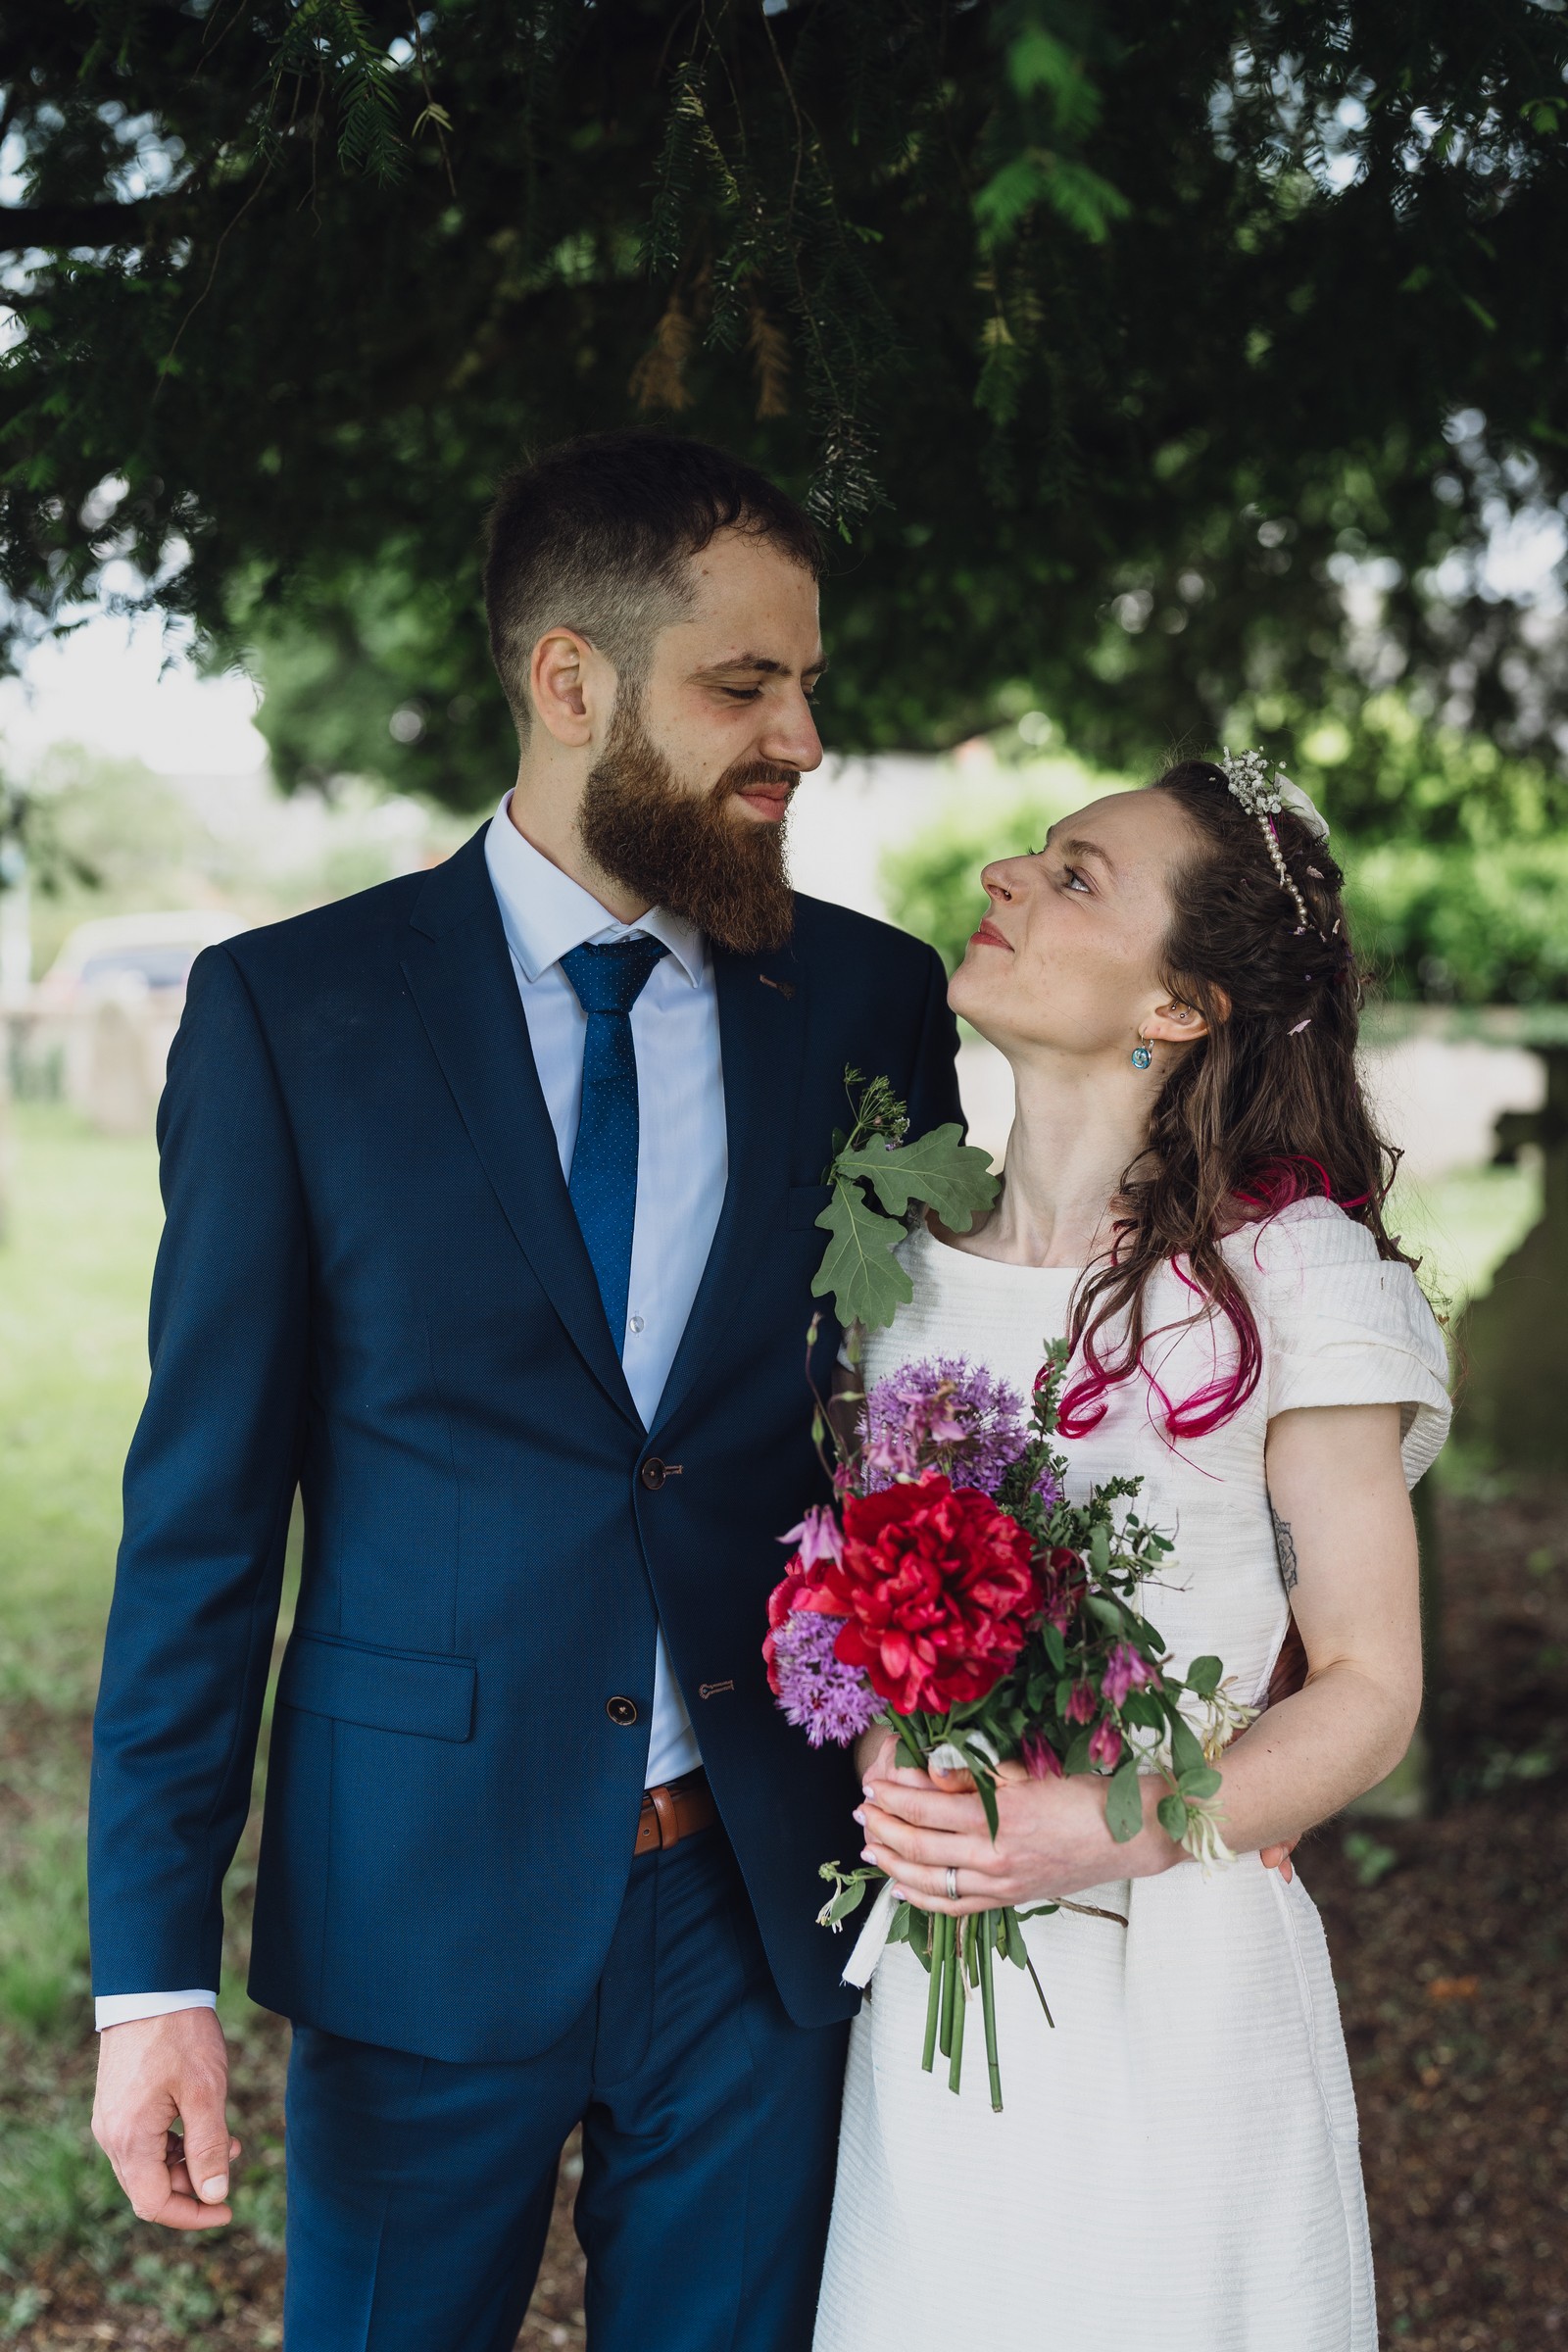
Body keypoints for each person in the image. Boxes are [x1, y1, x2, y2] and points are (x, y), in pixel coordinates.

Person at [87, 430, 962, 2351]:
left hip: (763, 1911)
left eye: (806, 682)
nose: (799, 735)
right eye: (744, 685)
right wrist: (147, 1981)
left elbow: (912, 1427)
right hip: (418, 1907)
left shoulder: (876, 1008)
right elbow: (202, 1529)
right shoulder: (288, 1014)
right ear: (570, 680)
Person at [813, 757, 1450, 2352]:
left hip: (1176, 1982)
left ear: (1181, 1002)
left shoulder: (1290, 1280)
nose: (1006, 882)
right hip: (941, 1969)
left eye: (1078, 875)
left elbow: (1370, 1686)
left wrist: (1108, 1827)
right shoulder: (898, 1261)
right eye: (1032, 858)